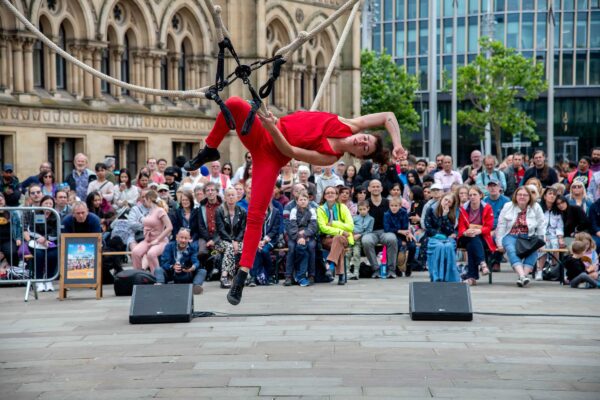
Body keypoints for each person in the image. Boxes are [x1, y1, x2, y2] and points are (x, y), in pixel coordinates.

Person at [184, 96, 406, 305]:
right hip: (260, 131)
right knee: (232, 103)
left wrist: (272, 126)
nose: (361, 141)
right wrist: (397, 144)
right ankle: (210, 148)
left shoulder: (329, 156)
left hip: (270, 156)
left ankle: (242, 274)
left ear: (359, 156)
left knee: (255, 215)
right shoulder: (349, 124)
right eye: (365, 138)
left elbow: (288, 150)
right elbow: (388, 116)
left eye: (364, 147)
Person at [495, 186, 546, 287]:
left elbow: (541, 225)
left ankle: (523, 277)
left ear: (529, 197)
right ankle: (522, 276)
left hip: (528, 236)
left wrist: (542, 242)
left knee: (533, 250)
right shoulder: (508, 206)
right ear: (516, 196)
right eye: (520, 194)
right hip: (511, 235)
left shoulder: (536, 207)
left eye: (525, 195)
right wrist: (499, 243)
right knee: (511, 249)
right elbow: (501, 225)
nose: (522, 197)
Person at [457, 186, 496, 285]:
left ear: (481, 195)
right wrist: (466, 232)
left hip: (481, 236)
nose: (472, 197)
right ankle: (482, 263)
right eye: (470, 195)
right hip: (465, 236)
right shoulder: (463, 208)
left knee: (472, 245)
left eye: (475, 194)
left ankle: (472, 278)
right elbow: (461, 226)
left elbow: (489, 226)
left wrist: (478, 231)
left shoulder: (487, 208)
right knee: (472, 238)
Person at [317, 186, 354, 285]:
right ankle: (341, 274)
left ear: (337, 195)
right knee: (338, 244)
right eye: (327, 193)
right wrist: (341, 231)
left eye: (332, 193)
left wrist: (333, 223)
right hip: (327, 239)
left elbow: (350, 226)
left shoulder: (343, 207)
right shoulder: (320, 209)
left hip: (344, 239)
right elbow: (322, 228)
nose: (330, 194)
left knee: (338, 240)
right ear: (324, 196)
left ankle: (331, 265)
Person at [362, 179, 398, 278]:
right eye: (373, 186)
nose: (375, 188)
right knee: (366, 241)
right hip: (370, 232)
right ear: (369, 189)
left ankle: (391, 269)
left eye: (378, 186)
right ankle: (376, 269)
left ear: (381, 188)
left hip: (385, 231)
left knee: (392, 239)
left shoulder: (388, 203)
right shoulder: (365, 204)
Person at [131, 190, 173, 273]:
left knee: (151, 253)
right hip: (148, 240)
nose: (144, 202)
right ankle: (138, 276)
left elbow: (169, 227)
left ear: (149, 199)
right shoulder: (150, 211)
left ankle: (157, 277)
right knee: (135, 252)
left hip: (160, 241)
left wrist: (157, 240)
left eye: (145, 200)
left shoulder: (160, 210)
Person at [23, 195, 59, 292]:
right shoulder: (35, 214)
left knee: (53, 254)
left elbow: (56, 232)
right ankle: (38, 281)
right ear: (41, 204)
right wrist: (40, 238)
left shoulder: (56, 216)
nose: (48, 205)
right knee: (39, 255)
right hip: (36, 242)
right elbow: (30, 230)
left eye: (50, 204)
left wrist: (46, 238)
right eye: (46, 203)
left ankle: (48, 280)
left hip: (50, 242)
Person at [156, 228, 206, 295]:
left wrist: (192, 268)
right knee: (158, 269)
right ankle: (160, 285)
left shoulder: (193, 248)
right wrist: (172, 266)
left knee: (202, 271)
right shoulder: (169, 246)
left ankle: (196, 287)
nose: (183, 240)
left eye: (186, 238)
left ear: (189, 239)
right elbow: (164, 263)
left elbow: (196, 262)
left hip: (187, 274)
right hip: (172, 273)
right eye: (181, 237)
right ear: (176, 237)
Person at [215, 187, 247, 288]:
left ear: (237, 197)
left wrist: (237, 241)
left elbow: (242, 229)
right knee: (230, 247)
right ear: (225, 197)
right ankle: (224, 276)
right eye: (228, 195)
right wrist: (232, 241)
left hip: (238, 241)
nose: (231, 197)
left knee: (245, 248)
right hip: (221, 241)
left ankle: (240, 277)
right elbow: (221, 230)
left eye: (233, 195)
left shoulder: (242, 211)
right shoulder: (219, 210)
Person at [285, 190, 318, 286]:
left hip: (308, 235)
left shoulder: (312, 210)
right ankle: (289, 276)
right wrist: (299, 237)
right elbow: (292, 226)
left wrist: (305, 235)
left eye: (305, 199)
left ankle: (311, 275)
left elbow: (313, 226)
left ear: (308, 200)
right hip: (295, 235)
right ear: (297, 201)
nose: (303, 201)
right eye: (300, 200)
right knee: (291, 248)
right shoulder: (294, 211)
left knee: (311, 247)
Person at [424, 193, 460, 282]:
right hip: (434, 237)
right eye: (445, 200)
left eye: (449, 202)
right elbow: (428, 228)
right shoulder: (431, 210)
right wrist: (440, 235)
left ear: (452, 204)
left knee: (448, 246)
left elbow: (450, 230)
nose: (447, 203)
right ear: (441, 199)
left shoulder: (452, 214)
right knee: (439, 246)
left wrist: (445, 216)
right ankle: (437, 276)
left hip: (447, 239)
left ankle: (449, 276)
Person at [250, 201, 281, 286]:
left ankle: (271, 274)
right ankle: (253, 277)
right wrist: (257, 241)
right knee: (256, 251)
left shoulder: (275, 212)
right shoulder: (255, 211)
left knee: (264, 251)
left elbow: (275, 230)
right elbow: (254, 228)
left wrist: (264, 241)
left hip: (271, 239)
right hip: (258, 240)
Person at [384, 197, 415, 278]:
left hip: (404, 233)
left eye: (396, 206)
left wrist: (407, 233)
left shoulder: (404, 213)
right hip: (394, 234)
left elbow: (405, 226)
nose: (393, 207)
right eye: (392, 206)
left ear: (400, 206)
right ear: (389, 206)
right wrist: (399, 231)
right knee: (396, 244)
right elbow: (387, 229)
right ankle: (396, 267)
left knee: (412, 245)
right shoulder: (387, 215)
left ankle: (408, 265)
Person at [349, 200, 374, 279]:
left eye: (364, 209)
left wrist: (360, 235)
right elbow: (350, 227)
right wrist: (351, 234)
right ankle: (347, 272)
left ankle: (356, 272)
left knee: (356, 254)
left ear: (368, 208)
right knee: (347, 254)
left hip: (359, 239)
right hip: (351, 237)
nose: (362, 211)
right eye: (360, 209)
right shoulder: (355, 218)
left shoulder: (371, 219)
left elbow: (369, 231)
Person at [0, 192, 22, 268]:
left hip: (8, 239)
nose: (0, 199)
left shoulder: (12, 212)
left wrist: (18, 238)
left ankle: (15, 271)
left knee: (11, 252)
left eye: (1, 197)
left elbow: (18, 226)